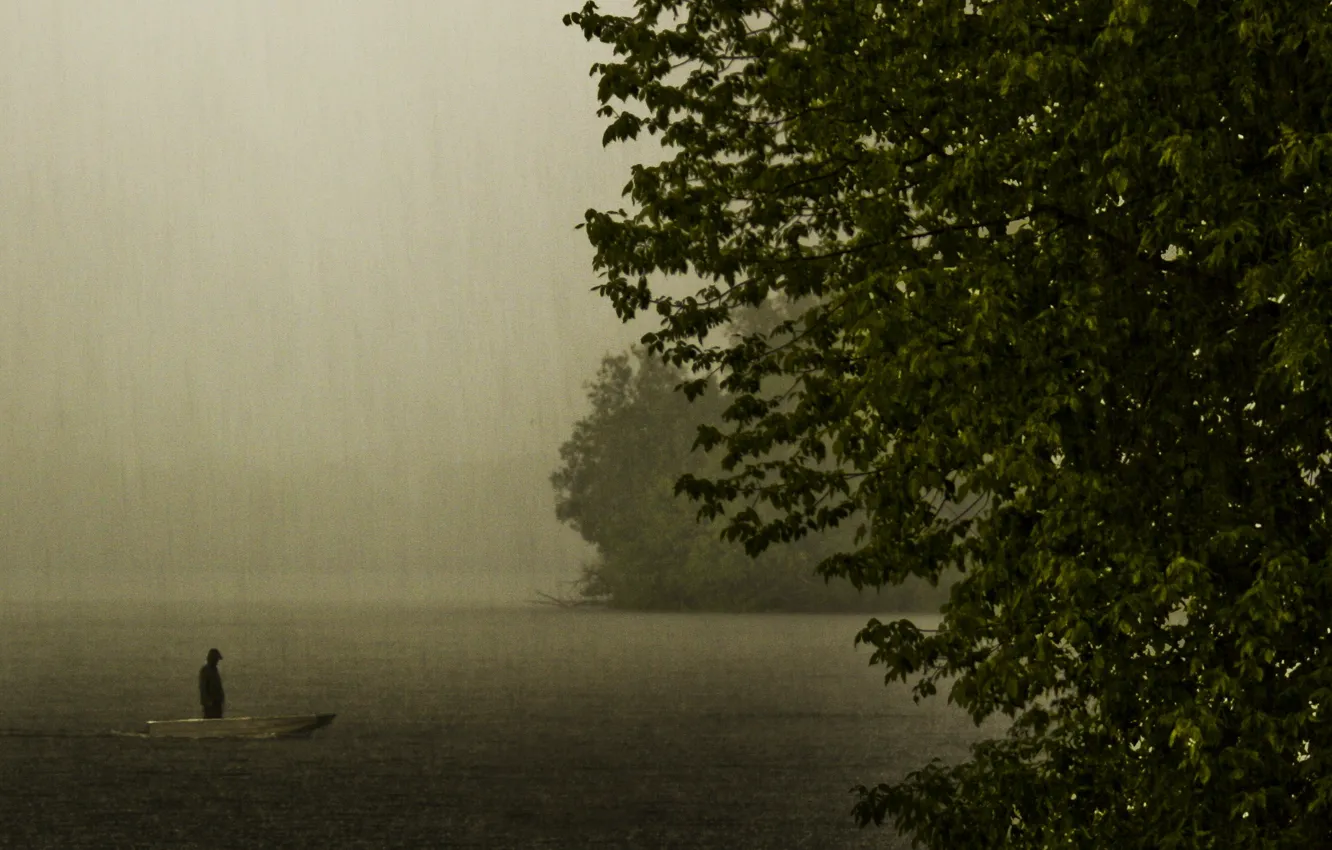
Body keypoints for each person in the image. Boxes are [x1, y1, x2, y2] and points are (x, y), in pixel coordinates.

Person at [199, 648, 225, 719]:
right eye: (216, 659)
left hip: (216, 703)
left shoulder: (214, 670)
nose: (217, 662)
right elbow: (203, 688)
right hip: (210, 704)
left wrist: (221, 697)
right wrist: (207, 702)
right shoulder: (206, 671)